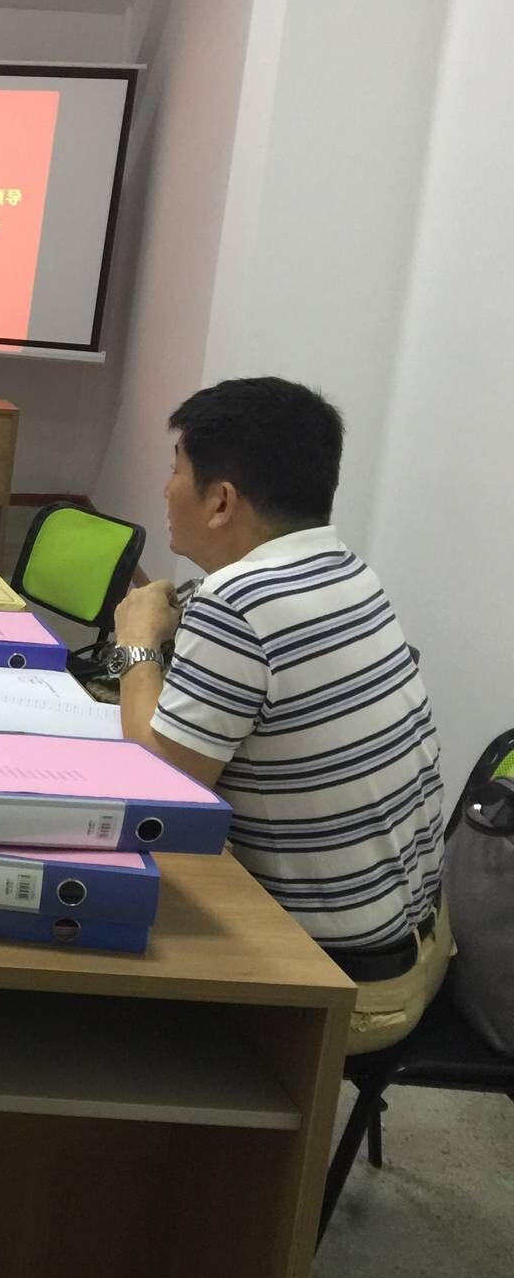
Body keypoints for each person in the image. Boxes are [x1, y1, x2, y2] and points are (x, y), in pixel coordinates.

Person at [108, 377, 445, 1053]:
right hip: (423, 945)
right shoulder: (347, 570)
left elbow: (163, 790)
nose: (166, 489)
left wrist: (136, 643)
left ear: (221, 501)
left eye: (176, 469)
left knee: (86, 942)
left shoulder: (238, 603)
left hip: (340, 984)